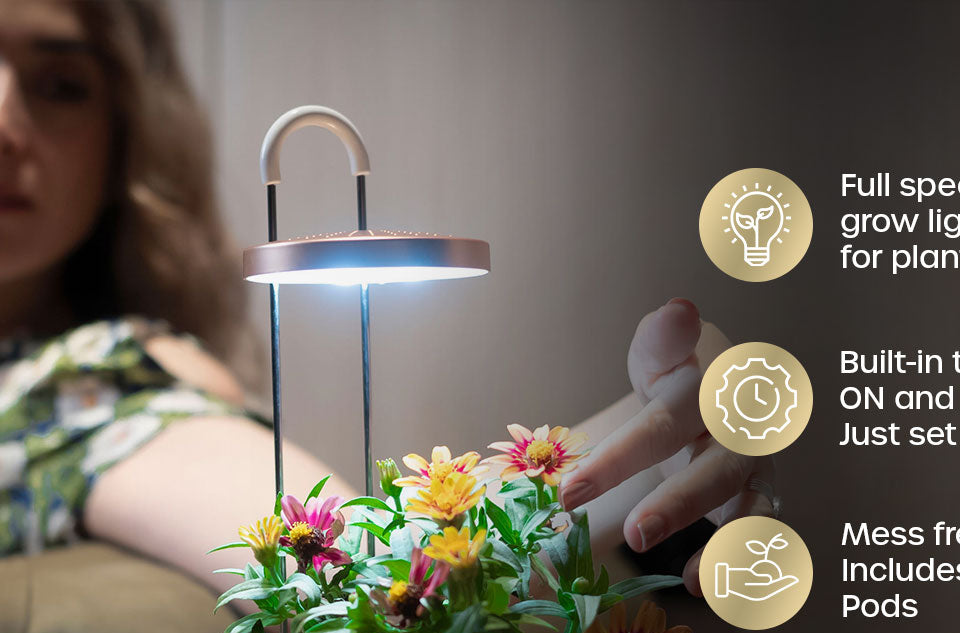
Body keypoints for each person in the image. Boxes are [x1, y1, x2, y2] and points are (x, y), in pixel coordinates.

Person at [0, 0, 777, 597]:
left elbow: (372, 576)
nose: (3, 122)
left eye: (61, 85)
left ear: (121, 141)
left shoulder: (86, 385)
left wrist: (649, 436)